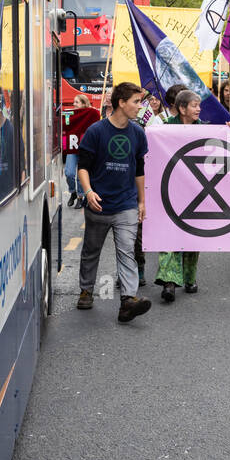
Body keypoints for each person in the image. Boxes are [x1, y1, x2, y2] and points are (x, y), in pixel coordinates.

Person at [75, 81, 152, 323]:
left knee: (126, 251)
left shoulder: (138, 133)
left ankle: (128, 300)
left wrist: (141, 201)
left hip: (126, 205)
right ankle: (86, 290)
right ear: (121, 103)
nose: (140, 107)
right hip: (98, 204)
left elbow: (139, 169)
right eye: (136, 102)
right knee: (91, 251)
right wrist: (88, 192)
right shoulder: (96, 131)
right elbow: (83, 167)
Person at [155, 90, 207, 302]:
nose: (198, 109)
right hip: (170, 189)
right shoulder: (165, 128)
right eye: (194, 106)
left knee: (191, 236)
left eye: (199, 106)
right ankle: (169, 281)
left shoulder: (205, 129)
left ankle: (189, 277)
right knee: (169, 234)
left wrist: (229, 129)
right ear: (182, 108)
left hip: (197, 191)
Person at [63, 93, 100, 207]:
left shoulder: (91, 113)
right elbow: (64, 125)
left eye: (77, 102)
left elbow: (96, 117)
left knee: (81, 175)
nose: (74, 104)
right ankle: (73, 192)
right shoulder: (71, 114)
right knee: (69, 173)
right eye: (74, 102)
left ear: (84, 104)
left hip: (84, 149)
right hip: (72, 148)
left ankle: (80, 196)